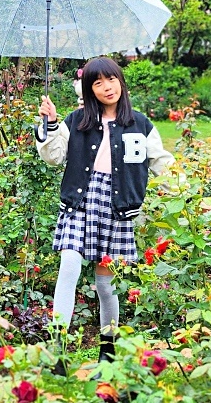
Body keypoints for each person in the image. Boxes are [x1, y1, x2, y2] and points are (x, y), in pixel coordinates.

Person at [36, 56, 174, 364]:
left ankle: (107, 353)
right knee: (68, 268)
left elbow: (160, 161)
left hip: (118, 206)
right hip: (80, 202)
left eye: (110, 80)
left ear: (120, 81)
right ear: (89, 90)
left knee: (105, 284)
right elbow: (54, 157)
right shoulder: (77, 120)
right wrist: (51, 123)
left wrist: (183, 188)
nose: (106, 87)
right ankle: (57, 351)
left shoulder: (140, 124)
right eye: (97, 83)